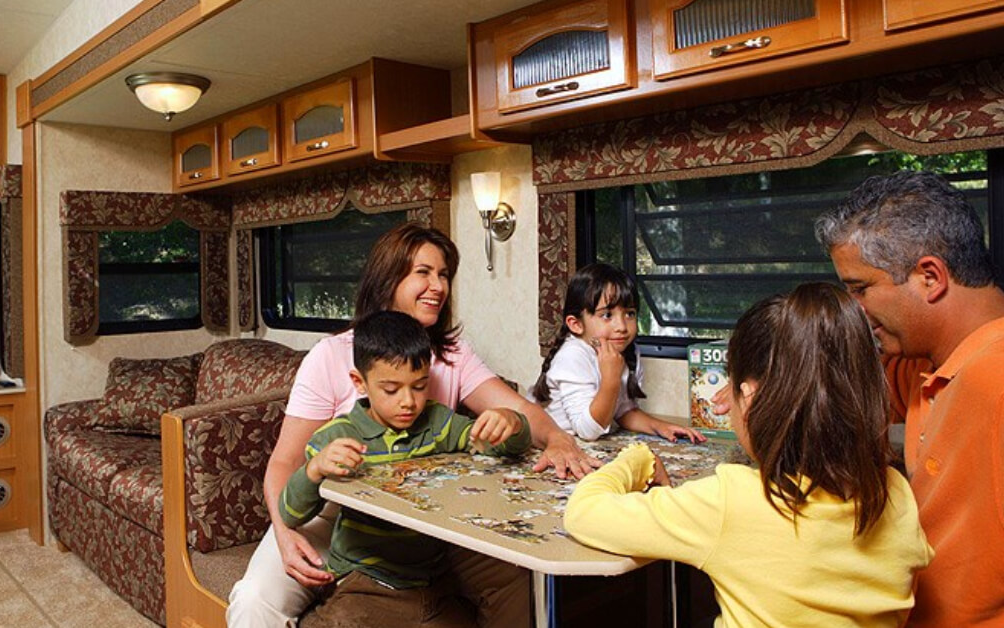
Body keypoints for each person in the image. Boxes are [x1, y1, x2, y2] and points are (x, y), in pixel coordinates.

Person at [228, 223, 598, 628]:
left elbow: (516, 410)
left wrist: (558, 439)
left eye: (443, 275)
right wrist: (284, 533)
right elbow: (284, 462)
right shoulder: (331, 355)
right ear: (388, 278)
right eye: (423, 273)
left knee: (514, 572)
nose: (437, 286)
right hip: (330, 513)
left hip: (426, 518)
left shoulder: (452, 354)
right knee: (253, 601)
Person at [564, 282, 933, 627]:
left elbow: (583, 513)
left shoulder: (732, 500)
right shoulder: (897, 492)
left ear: (751, 397)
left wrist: (637, 458)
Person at [815, 170, 1004, 628]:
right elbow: (856, 387)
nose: (855, 310)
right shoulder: (931, 365)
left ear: (930, 276)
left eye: (860, 289)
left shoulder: (994, 383)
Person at [280, 311, 531, 627]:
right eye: (391, 389)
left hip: (433, 571)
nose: (408, 402)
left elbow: (495, 444)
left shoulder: (437, 422)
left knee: (515, 579)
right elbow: (290, 512)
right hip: (367, 577)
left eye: (419, 386)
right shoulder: (337, 437)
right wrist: (314, 469)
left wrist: (512, 423)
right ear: (360, 383)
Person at [532, 263, 704, 442]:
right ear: (576, 324)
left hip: (589, 444)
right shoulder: (572, 356)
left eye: (629, 314)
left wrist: (659, 426)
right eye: (607, 315)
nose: (622, 327)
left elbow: (623, 411)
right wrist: (611, 379)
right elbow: (587, 431)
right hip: (559, 445)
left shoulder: (626, 350)